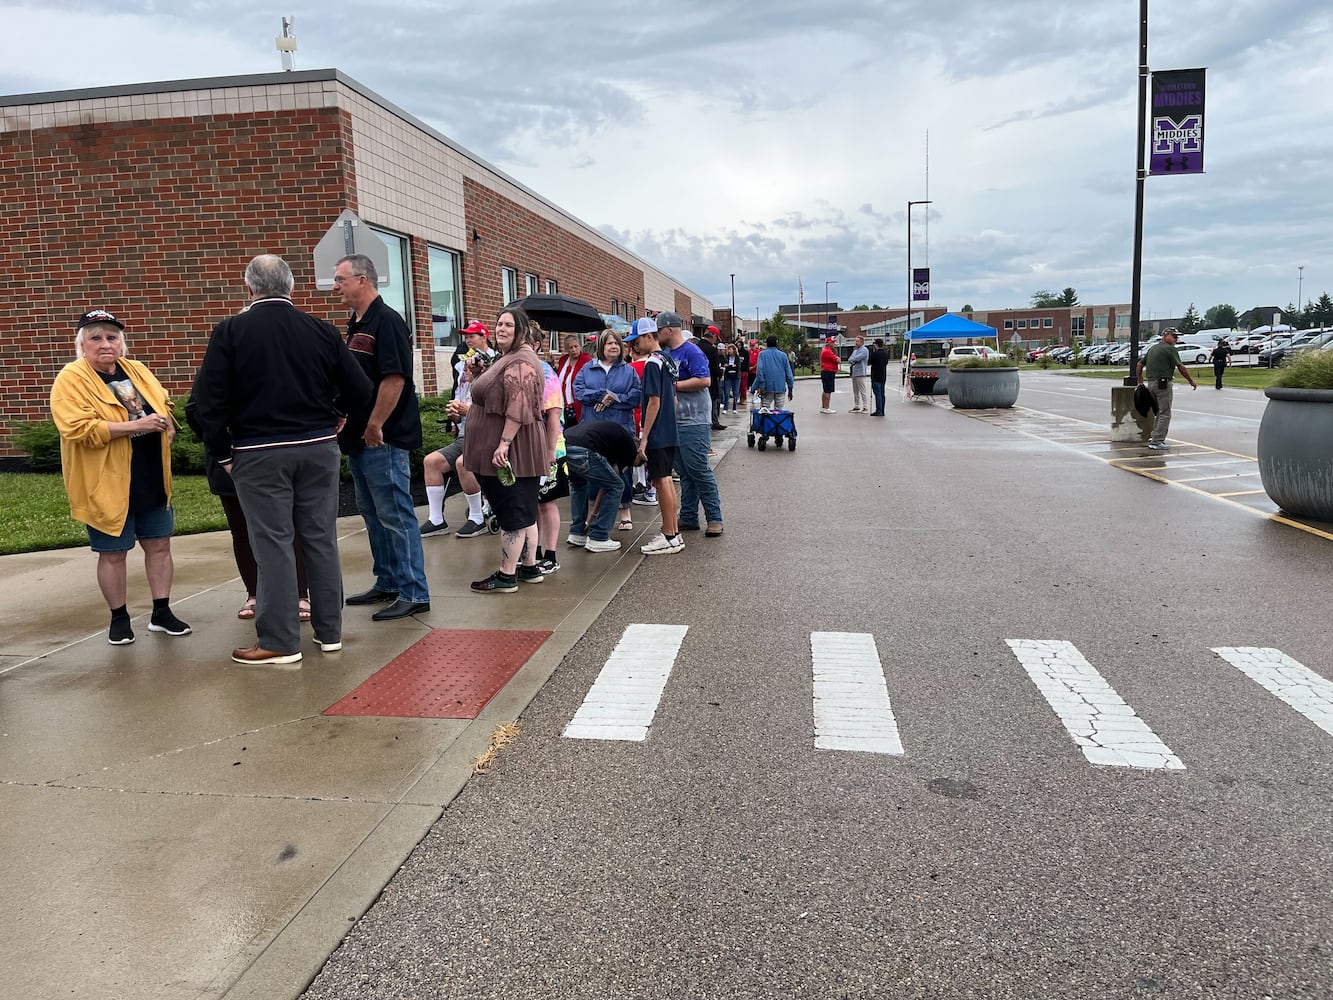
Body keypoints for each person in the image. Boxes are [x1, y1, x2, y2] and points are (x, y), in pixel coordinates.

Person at [191, 254, 373, 664]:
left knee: (272, 543)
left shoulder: (231, 331)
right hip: (318, 446)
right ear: (292, 288)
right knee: (319, 539)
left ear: (249, 288)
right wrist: (339, 413)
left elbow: (209, 402)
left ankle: (279, 640)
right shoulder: (322, 330)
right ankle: (330, 632)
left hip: (259, 451)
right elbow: (360, 388)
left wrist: (221, 453)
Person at [51, 310, 192, 646]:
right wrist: (136, 426)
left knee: (159, 545)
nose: (105, 344)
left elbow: (162, 401)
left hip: (150, 474)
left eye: (112, 337)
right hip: (106, 479)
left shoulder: (136, 370)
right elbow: (77, 428)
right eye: (96, 338)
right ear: (82, 344)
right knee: (113, 552)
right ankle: (119, 617)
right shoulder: (71, 379)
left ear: (121, 343)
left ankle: (162, 612)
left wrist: (168, 420)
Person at [334, 253, 431, 621]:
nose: (336, 286)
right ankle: (388, 581)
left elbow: (394, 379)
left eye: (341, 279)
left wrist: (375, 424)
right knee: (373, 514)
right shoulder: (356, 323)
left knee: (395, 515)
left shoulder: (386, 322)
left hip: (382, 438)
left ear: (362, 280)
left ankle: (413, 591)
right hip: (359, 438)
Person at [463, 306, 548, 593]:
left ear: (521, 330)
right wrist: (478, 375)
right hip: (513, 446)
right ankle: (529, 567)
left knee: (512, 510)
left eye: (508, 325)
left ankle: (506, 575)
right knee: (523, 509)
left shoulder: (521, 361)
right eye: (499, 324)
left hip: (513, 449)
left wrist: (503, 444)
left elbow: (519, 405)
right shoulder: (509, 358)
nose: (501, 329)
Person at [421, 320, 494, 537]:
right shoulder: (462, 366)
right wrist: (454, 417)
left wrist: (467, 410)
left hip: (489, 436)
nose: (467, 339)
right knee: (431, 461)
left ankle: (477, 517)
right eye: (466, 336)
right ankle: (436, 520)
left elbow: (493, 409)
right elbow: (459, 397)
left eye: (472, 335)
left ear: (484, 336)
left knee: (464, 463)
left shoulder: (494, 366)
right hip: (466, 434)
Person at [656, 311, 724, 537]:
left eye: (659, 330)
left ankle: (714, 518)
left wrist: (672, 387)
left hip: (694, 420)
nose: (657, 335)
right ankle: (688, 516)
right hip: (675, 420)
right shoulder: (666, 353)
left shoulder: (691, 351)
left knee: (698, 470)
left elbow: (704, 380)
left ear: (669, 330)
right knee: (685, 472)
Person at [625, 317, 683, 555]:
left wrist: (645, 436)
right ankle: (672, 531)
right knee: (663, 480)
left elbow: (653, 402)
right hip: (669, 428)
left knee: (662, 480)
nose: (635, 346)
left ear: (649, 336)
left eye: (637, 340)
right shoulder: (667, 359)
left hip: (658, 431)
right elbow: (674, 399)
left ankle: (670, 535)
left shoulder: (652, 363)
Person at [564, 420, 637, 553]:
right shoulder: (631, 451)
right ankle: (599, 536)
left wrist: (592, 517)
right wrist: (593, 517)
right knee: (617, 486)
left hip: (566, 444)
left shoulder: (614, 439)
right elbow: (609, 486)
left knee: (578, 486)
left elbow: (605, 485)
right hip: (585, 447)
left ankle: (577, 532)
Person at [1136, 327, 1198, 451]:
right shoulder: (1170, 350)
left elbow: (1140, 364)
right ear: (1165, 336)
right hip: (1163, 384)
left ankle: (1155, 436)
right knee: (1165, 413)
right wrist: (1191, 381)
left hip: (1151, 384)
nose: (1176, 339)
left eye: (1177, 337)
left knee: (1158, 412)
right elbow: (1181, 367)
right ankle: (1157, 441)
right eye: (1174, 336)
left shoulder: (1153, 348)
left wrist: (1140, 381)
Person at [554, 333, 591, 426]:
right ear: (566, 349)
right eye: (570, 347)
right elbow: (560, 378)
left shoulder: (586, 360)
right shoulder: (563, 360)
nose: (574, 350)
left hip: (579, 405)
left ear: (580, 346)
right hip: (563, 405)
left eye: (576, 346)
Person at [753, 335, 795, 411]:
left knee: (764, 409)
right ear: (777, 343)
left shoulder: (762, 354)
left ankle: (766, 422)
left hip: (767, 387)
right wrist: (790, 389)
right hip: (780, 387)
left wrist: (761, 385)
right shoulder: (783, 355)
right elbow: (789, 374)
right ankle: (777, 422)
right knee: (779, 409)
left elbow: (759, 371)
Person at [700, 325, 726, 429]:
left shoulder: (697, 346)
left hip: (698, 379)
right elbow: (715, 368)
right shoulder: (711, 349)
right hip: (711, 380)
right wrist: (721, 373)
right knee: (713, 401)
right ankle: (713, 421)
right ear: (713, 336)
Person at [848, 335, 870, 413]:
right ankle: (857, 406)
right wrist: (853, 360)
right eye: (855, 341)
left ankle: (865, 407)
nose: (856, 343)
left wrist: (854, 359)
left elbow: (858, 358)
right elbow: (850, 359)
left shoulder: (864, 350)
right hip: (854, 372)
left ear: (862, 342)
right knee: (855, 390)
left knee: (862, 390)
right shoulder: (855, 350)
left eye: (857, 341)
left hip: (860, 372)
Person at [868, 338, 891, 416]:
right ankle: (882, 410)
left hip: (875, 375)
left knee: (877, 393)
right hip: (883, 375)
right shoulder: (885, 354)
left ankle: (879, 410)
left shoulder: (874, 354)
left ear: (876, 345)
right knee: (882, 393)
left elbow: (869, 362)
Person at [820, 336, 840, 413]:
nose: (834, 344)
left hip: (826, 371)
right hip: (828, 372)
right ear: (829, 343)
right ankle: (827, 407)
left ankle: (823, 406)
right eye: (833, 342)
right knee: (828, 390)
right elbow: (837, 360)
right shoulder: (828, 351)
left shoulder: (827, 350)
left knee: (825, 390)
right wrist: (837, 358)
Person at [722, 343, 741, 413]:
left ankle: (734, 408)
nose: (729, 351)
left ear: (734, 350)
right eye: (728, 349)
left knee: (735, 393)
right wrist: (731, 366)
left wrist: (730, 366)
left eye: (730, 349)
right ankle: (725, 408)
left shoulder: (737, 358)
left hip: (736, 377)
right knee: (727, 392)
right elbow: (725, 366)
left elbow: (737, 367)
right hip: (728, 377)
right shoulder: (726, 357)